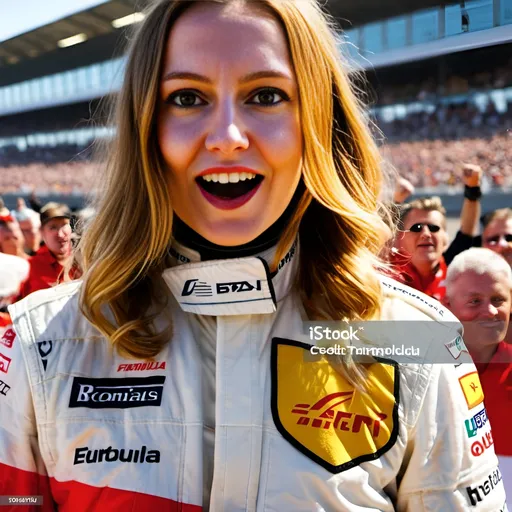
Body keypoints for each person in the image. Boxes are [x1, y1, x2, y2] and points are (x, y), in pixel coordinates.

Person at [1, 0, 506, 510]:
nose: (226, 138)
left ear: (319, 120)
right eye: (187, 97)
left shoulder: (417, 336)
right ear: (145, 127)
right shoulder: (40, 345)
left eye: (266, 95)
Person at [443, 247, 512, 509]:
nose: (491, 311)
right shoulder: (419, 370)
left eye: (498, 299)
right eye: (474, 301)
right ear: (447, 306)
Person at [18, 203, 79, 298]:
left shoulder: (86, 260)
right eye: (53, 227)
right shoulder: (30, 267)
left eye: (64, 225)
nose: (60, 234)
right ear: (42, 232)